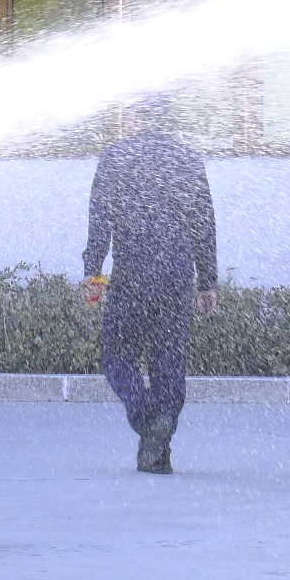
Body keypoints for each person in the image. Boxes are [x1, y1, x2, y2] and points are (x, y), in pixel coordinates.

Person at [83, 97, 218, 475]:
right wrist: (207, 281)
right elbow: (204, 224)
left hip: (133, 274)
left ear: (135, 118)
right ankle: (157, 452)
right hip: (177, 276)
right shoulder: (188, 159)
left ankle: (147, 419)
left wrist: (93, 273)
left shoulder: (116, 156)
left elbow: (100, 220)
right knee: (168, 365)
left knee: (116, 356)